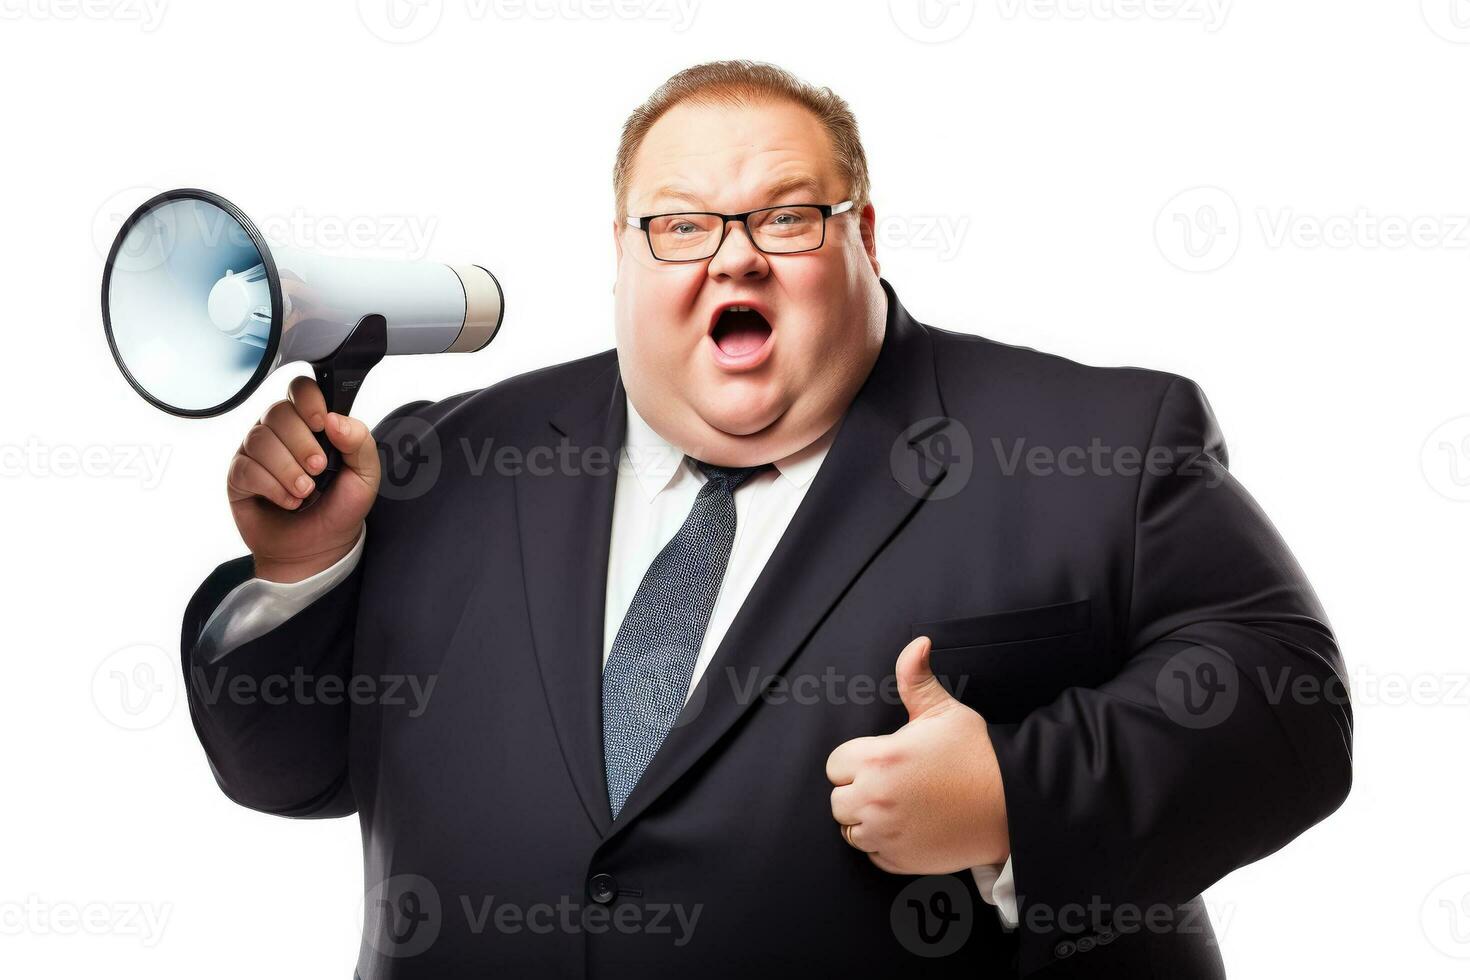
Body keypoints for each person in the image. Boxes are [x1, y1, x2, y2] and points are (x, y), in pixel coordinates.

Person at [182, 60, 1352, 978]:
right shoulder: (443, 456)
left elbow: (1289, 701)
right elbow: (285, 770)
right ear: (623, 254)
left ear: (866, 236)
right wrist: (305, 570)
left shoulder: (1099, 443)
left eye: (788, 217)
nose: (732, 257)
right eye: (681, 224)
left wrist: (1014, 798)